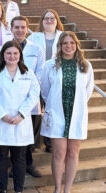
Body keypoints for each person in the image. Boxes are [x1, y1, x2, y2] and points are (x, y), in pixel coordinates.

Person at [40, 31, 94, 193]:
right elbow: (45, 90)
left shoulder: (85, 65)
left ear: (77, 45)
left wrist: (75, 103)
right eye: (65, 43)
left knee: (73, 152)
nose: (68, 46)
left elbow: (88, 90)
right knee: (59, 153)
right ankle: (57, 188)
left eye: (72, 43)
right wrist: (55, 104)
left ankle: (67, 189)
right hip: (57, 113)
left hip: (76, 114)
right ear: (60, 46)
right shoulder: (50, 64)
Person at [0, 41, 40, 193]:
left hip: (21, 121)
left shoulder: (27, 72)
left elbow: (34, 94)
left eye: (15, 53)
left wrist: (22, 114)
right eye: (8, 53)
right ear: (3, 54)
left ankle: (18, 190)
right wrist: (2, 115)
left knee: (19, 158)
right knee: (1, 156)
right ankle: (2, 188)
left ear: (20, 55)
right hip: (2, 121)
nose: (12, 56)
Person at [9, 16, 45, 178]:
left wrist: (29, 88)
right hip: (12, 100)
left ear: (27, 29)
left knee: (30, 135)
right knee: (14, 135)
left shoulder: (36, 49)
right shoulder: (4, 48)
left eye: (23, 27)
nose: (20, 30)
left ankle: (28, 164)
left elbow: (40, 73)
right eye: (16, 27)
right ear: (11, 29)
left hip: (31, 99)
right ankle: (15, 166)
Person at [28, 9, 65, 152]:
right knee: (36, 112)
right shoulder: (34, 36)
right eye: (46, 18)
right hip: (38, 77)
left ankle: (50, 143)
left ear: (57, 21)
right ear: (42, 21)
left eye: (52, 18)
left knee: (53, 111)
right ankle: (34, 143)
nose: (49, 21)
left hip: (56, 79)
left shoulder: (63, 36)